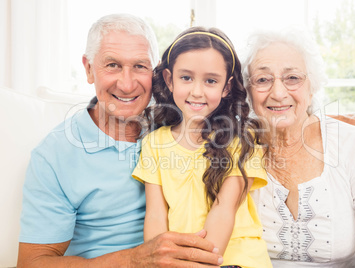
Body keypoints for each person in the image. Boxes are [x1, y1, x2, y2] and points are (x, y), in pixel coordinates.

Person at [17, 14, 223, 267]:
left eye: (139, 66)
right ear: (89, 68)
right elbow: (32, 262)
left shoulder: (178, 122)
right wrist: (136, 259)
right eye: (112, 65)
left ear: (156, 72)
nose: (126, 85)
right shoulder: (55, 154)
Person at [242, 28, 355, 267]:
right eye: (263, 80)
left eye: (292, 78)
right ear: (248, 90)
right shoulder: (234, 148)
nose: (278, 92)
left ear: (312, 85)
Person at [132, 27, 271, 268]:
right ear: (169, 80)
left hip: (234, 258)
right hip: (178, 261)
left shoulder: (240, 140)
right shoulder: (154, 143)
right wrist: (159, 261)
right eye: (186, 77)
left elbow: (224, 210)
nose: (197, 91)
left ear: (226, 87)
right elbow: (155, 214)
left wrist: (203, 264)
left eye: (210, 81)